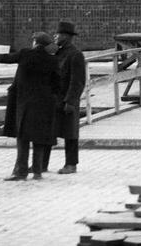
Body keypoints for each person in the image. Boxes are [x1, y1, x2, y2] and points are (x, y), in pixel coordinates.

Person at [0, 31, 60, 180]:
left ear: (35, 42)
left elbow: (9, 58)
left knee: (23, 138)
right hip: (44, 104)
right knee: (39, 138)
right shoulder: (52, 60)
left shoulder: (26, 54)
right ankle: (38, 171)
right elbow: (57, 83)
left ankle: (21, 172)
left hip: (25, 103)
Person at [53, 20, 87, 174]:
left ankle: (71, 164)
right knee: (49, 131)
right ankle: (41, 163)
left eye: (58, 34)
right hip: (55, 98)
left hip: (67, 100)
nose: (55, 37)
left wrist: (71, 101)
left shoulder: (75, 54)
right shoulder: (58, 52)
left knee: (70, 134)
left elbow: (78, 81)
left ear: (65, 36)